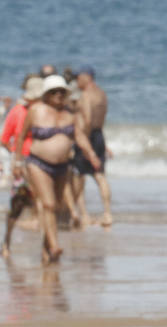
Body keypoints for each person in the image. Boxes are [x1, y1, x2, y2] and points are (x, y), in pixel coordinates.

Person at [12, 75, 101, 264]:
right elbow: (20, 137)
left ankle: (47, 250)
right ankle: (54, 245)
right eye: (54, 92)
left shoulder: (70, 114)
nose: (59, 95)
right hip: (38, 163)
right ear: (46, 94)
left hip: (62, 166)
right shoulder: (36, 110)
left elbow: (79, 136)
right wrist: (17, 163)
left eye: (62, 92)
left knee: (57, 207)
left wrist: (91, 154)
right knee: (49, 204)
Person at [0, 76, 41, 258]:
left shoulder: (47, 111)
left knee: (44, 204)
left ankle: (46, 246)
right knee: (17, 205)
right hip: (22, 163)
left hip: (42, 162)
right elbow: (4, 139)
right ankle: (6, 242)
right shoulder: (18, 111)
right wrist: (16, 158)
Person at [71, 65, 112, 228]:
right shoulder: (102, 94)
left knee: (79, 177)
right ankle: (107, 213)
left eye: (78, 77)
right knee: (100, 175)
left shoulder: (86, 96)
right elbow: (101, 119)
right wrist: (104, 145)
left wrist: (85, 145)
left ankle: (84, 215)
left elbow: (87, 120)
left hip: (86, 137)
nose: (76, 81)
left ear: (86, 77)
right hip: (99, 135)